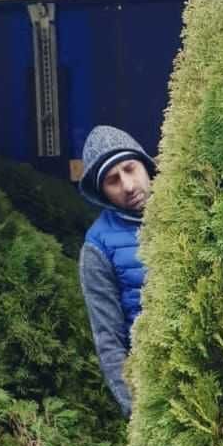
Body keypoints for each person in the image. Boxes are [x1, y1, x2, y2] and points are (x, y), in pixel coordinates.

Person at [78, 123, 155, 416]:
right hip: (154, 383)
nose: (128, 186)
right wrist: (136, 411)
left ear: (145, 165)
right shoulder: (97, 248)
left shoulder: (193, 209)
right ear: (102, 192)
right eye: (112, 180)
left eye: (130, 168)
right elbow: (108, 339)